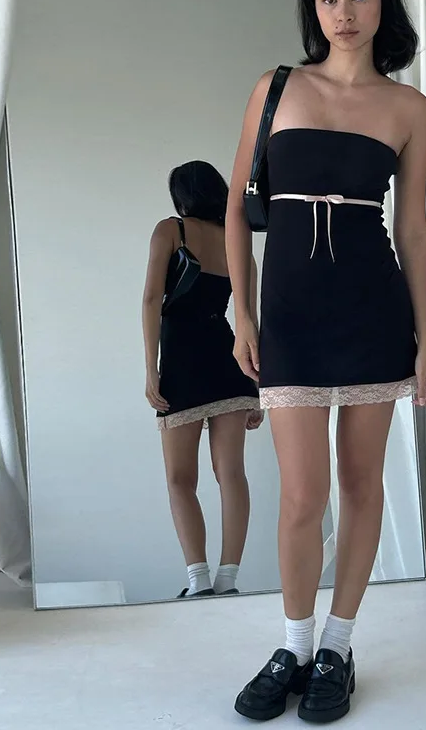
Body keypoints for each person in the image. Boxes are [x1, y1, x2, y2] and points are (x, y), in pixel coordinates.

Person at [225, 0, 426, 723]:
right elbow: (235, 210)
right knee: (300, 496)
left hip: (372, 312)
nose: (343, 12)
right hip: (290, 318)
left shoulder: (408, 108)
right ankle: (292, 643)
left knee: (360, 484)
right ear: (311, 8)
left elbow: (411, 229)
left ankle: (337, 647)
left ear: (383, 2)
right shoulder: (277, 87)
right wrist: (242, 312)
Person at [142, 160, 263, 599]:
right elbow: (249, 320)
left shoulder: (171, 230)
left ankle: (198, 581)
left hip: (182, 364)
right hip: (228, 362)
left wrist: (151, 368)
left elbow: (152, 299)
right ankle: (227, 580)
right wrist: (257, 387)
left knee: (180, 479)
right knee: (231, 474)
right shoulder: (237, 243)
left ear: (182, 196)